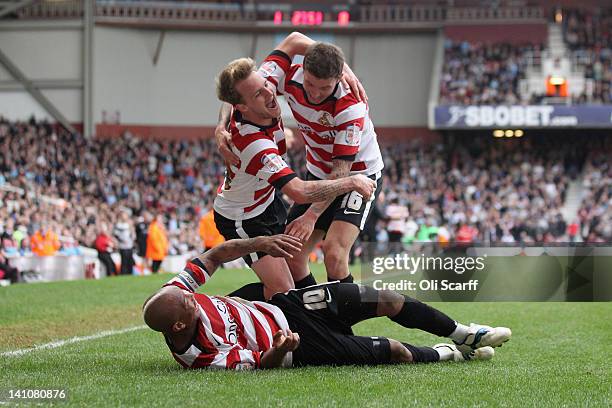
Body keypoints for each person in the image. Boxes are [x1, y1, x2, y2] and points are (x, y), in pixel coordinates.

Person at [143, 235, 512, 370]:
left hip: (288, 307)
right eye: (190, 306)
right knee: (396, 351)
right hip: (297, 347)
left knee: (385, 297)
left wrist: (260, 244)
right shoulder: (202, 356)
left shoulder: (175, 294)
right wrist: (280, 348)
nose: (194, 300)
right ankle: (450, 353)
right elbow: (257, 364)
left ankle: (465, 333)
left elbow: (216, 254)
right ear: (178, 326)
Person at [216, 32, 384, 289]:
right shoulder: (285, 77)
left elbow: (341, 173)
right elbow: (238, 87)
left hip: (358, 174)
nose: (315, 94)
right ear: (301, 70)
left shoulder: (350, 107)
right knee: (293, 257)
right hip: (316, 174)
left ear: (339, 79)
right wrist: (220, 126)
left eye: (324, 87)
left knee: (334, 253)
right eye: (310, 84)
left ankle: (342, 326)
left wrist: (311, 216)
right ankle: (318, 318)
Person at [113, 211, 135, 276]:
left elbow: (132, 234)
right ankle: (124, 274)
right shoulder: (119, 225)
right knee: (124, 261)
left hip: (129, 245)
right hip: (123, 246)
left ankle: (130, 274)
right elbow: (116, 235)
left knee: (130, 261)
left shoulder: (129, 224)